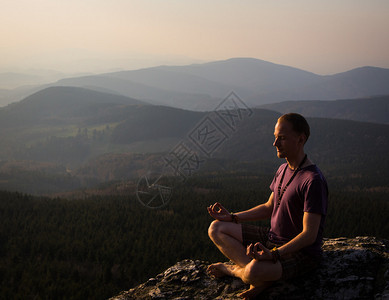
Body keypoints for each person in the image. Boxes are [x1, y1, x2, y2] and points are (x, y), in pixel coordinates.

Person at [207, 113, 328, 299]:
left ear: (301, 139)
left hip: (300, 253)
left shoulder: (313, 181)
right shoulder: (283, 169)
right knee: (216, 227)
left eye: (282, 138)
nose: (275, 144)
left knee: (253, 271)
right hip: (272, 238)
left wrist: (273, 255)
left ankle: (235, 270)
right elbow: (269, 206)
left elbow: (309, 235)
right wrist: (232, 217)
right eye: (275, 137)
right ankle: (262, 276)